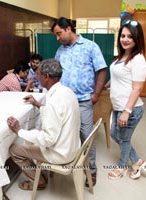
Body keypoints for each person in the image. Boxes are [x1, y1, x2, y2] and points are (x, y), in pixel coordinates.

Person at [7, 59, 81, 190]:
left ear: (46, 76)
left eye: (38, 73)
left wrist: (19, 131)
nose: (36, 76)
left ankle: (40, 181)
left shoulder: (53, 100)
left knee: (14, 149)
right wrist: (37, 104)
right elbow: (58, 114)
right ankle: (40, 173)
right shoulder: (67, 91)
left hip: (60, 153)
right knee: (33, 135)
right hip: (72, 147)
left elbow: (48, 140)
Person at [51, 17, 107, 186]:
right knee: (61, 133)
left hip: (83, 101)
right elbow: (55, 73)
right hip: (64, 101)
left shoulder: (90, 47)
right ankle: (62, 164)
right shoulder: (60, 51)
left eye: (59, 33)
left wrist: (96, 94)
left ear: (69, 29)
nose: (58, 38)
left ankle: (91, 172)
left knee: (86, 136)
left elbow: (102, 70)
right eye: (55, 35)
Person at [106, 20, 146, 180]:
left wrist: (126, 111)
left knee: (124, 139)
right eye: (123, 35)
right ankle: (137, 160)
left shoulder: (138, 59)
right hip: (119, 107)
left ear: (137, 38)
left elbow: (137, 88)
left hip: (130, 109)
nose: (125, 39)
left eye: (130, 36)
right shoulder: (122, 56)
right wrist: (108, 85)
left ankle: (122, 168)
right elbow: (120, 76)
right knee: (114, 134)